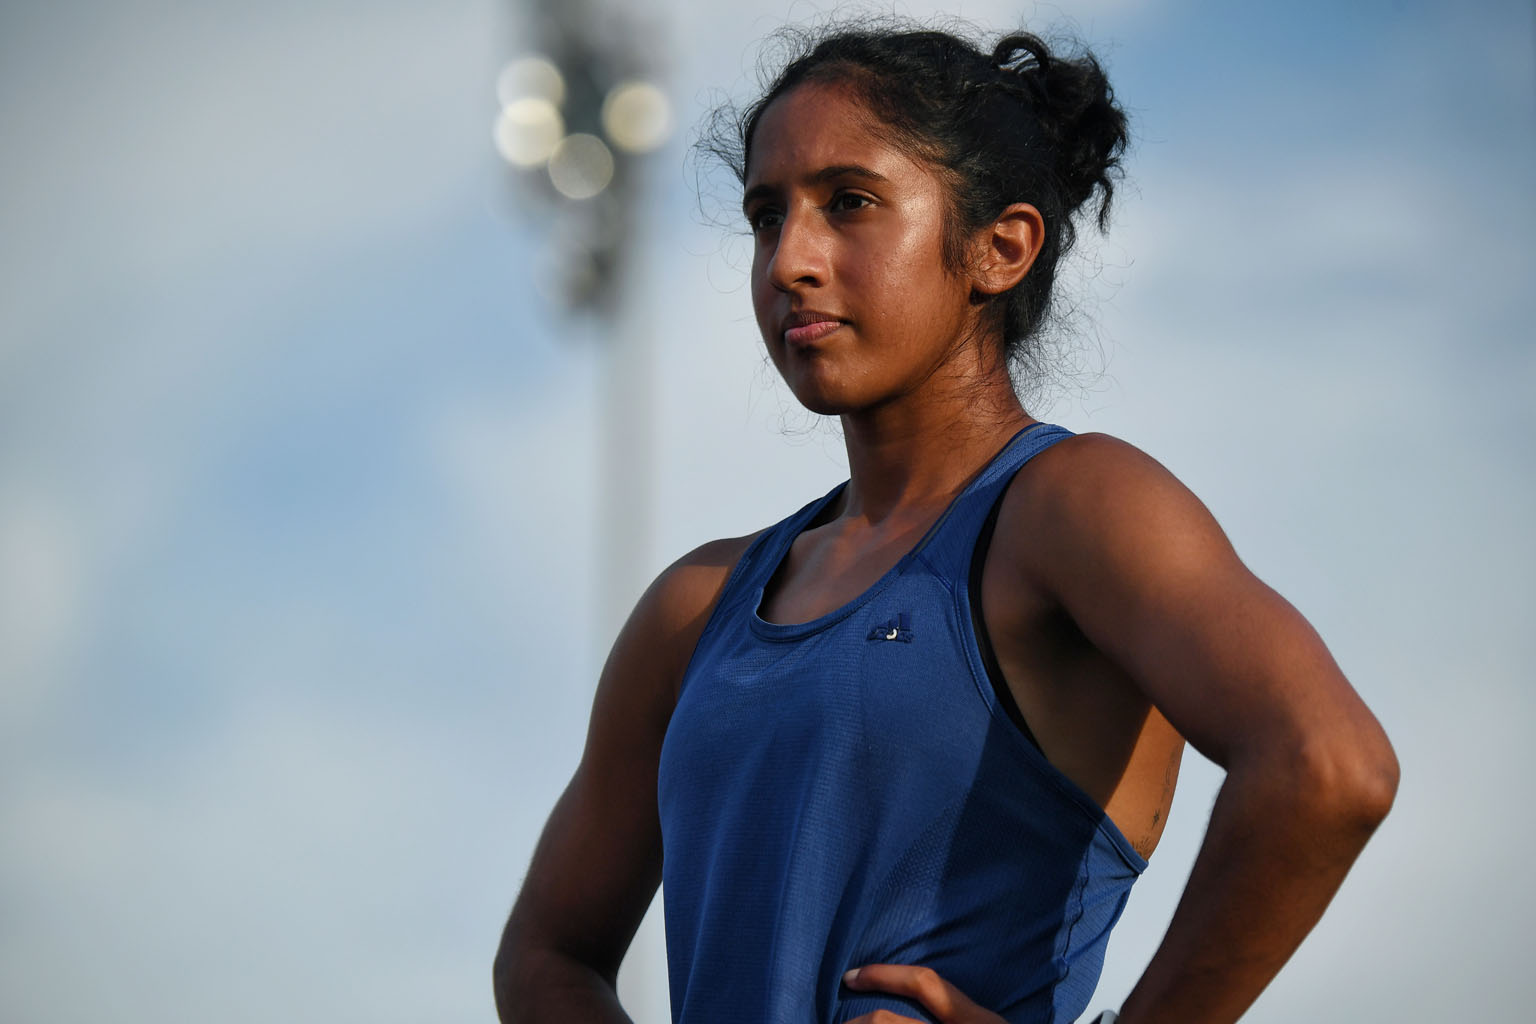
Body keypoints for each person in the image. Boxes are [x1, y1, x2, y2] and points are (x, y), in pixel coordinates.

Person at [492, 20, 1398, 1024]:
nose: (789, 258)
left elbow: (1328, 767)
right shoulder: (694, 610)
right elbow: (546, 953)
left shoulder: (1072, 509)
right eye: (764, 215)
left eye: (849, 204)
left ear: (999, 247)